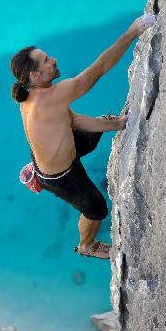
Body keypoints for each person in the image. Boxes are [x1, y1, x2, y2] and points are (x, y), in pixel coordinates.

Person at [10, 13, 156, 259]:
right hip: (61, 175)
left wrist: (119, 124)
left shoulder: (31, 96)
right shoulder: (51, 98)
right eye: (46, 61)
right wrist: (131, 33)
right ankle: (87, 246)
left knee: (93, 131)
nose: (54, 60)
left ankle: (43, 167)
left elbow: (73, 120)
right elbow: (98, 70)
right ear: (35, 75)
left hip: (55, 151)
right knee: (97, 209)